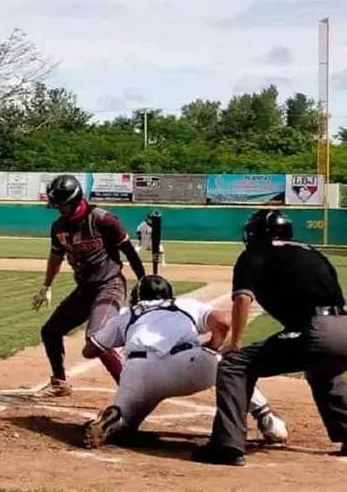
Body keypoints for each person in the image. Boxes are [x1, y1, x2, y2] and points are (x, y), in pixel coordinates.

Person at [194, 209, 347, 466]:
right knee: (323, 369)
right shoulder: (311, 251)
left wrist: (237, 341)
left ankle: (227, 445)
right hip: (343, 327)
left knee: (235, 364)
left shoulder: (255, 254)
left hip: (316, 330)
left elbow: (243, 298)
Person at [80, 274, 288, 448]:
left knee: (125, 425)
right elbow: (224, 321)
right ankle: (270, 422)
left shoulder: (127, 315)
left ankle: (117, 419)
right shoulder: (185, 304)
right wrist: (213, 346)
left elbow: (90, 351)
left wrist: (118, 333)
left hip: (139, 373)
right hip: (188, 364)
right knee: (232, 368)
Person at [31, 174, 147, 397]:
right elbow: (55, 257)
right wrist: (46, 286)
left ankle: (130, 389)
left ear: (74, 201)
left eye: (61, 204)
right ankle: (59, 383)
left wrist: (143, 280)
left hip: (109, 285)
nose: (57, 208)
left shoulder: (103, 220)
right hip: (85, 289)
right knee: (50, 331)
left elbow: (129, 252)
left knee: (96, 336)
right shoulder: (59, 227)